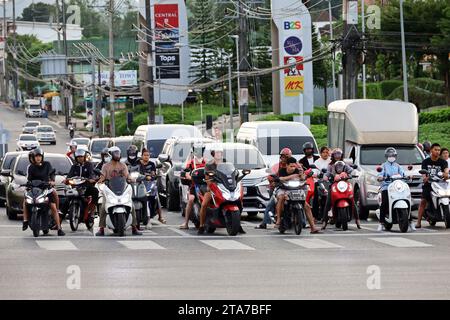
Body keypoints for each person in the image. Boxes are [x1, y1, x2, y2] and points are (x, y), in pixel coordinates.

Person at [95, 146, 142, 236]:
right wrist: (101, 180)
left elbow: (127, 176)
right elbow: (103, 176)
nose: (117, 155)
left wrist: (131, 179)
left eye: (118, 153)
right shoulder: (106, 166)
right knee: (103, 207)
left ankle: (134, 228)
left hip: (121, 188)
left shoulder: (123, 165)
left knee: (131, 206)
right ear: (111, 154)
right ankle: (101, 228)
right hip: (109, 189)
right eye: (115, 153)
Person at [22, 148, 65, 236]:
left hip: (46, 188)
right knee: (25, 201)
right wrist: (27, 184)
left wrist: (52, 181)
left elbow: (52, 174)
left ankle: (59, 227)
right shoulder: (31, 167)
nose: (38, 158)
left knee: (52, 204)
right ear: (33, 158)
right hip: (34, 189)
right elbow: (29, 179)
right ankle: (25, 220)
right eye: (36, 156)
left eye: (39, 156)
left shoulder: (47, 165)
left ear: (42, 157)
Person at [273, 157, 320, 233]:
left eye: (294, 166)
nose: (293, 168)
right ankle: (278, 219)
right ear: (287, 165)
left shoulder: (297, 170)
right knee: (281, 197)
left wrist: (302, 174)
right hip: (284, 189)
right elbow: (281, 178)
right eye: (291, 166)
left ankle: (313, 227)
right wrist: (291, 176)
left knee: (306, 206)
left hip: (295, 190)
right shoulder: (282, 170)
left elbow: (303, 178)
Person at [376, 147, 415, 231]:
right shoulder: (383, 166)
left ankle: (411, 221)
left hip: (398, 186)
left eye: (393, 155)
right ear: (386, 156)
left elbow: (403, 174)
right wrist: (380, 177)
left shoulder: (398, 166)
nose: (391, 156)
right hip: (387, 187)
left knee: (407, 201)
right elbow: (380, 175)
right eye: (389, 155)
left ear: (395, 156)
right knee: (384, 202)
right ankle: (381, 223)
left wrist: (408, 176)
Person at [256, 148, 294, 229]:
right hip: (279, 188)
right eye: (283, 157)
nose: (285, 159)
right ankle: (265, 222)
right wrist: (274, 181)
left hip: (292, 189)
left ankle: (303, 222)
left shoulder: (294, 165)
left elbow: (302, 174)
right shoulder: (277, 166)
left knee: (304, 203)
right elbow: (270, 176)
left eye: (287, 157)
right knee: (271, 204)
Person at [322, 148, 361, 229]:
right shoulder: (330, 165)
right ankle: (325, 221)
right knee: (328, 203)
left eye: (339, 154)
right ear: (332, 155)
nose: (337, 156)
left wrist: (351, 174)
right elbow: (327, 173)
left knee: (352, 201)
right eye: (335, 154)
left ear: (342, 155)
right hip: (334, 185)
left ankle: (357, 220)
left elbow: (351, 171)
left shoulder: (345, 164)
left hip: (345, 185)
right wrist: (325, 177)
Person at [416, 143, 449, 228]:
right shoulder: (426, 161)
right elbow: (423, 172)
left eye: (438, 150)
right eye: (435, 150)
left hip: (441, 184)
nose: (437, 152)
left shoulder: (443, 162)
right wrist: (425, 178)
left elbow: (446, 169)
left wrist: (446, 174)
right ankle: (418, 221)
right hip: (429, 185)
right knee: (423, 201)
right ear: (431, 150)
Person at [179, 141, 206, 229]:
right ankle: (186, 223)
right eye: (197, 150)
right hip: (194, 186)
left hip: (205, 186)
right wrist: (192, 178)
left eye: (200, 150)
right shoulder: (190, 163)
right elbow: (187, 174)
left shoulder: (206, 162)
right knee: (191, 199)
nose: (199, 152)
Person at [65, 148, 99, 217]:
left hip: (86, 187)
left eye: (81, 157)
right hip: (75, 188)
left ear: (84, 157)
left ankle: (92, 210)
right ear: (76, 158)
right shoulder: (74, 166)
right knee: (67, 198)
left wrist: (91, 179)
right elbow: (69, 175)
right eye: (78, 157)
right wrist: (66, 180)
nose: (80, 158)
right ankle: (61, 216)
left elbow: (92, 173)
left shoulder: (89, 165)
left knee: (95, 191)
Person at [139, 148, 166, 225]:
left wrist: (153, 176)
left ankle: (160, 217)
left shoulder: (152, 164)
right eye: (145, 155)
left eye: (148, 155)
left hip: (150, 184)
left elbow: (153, 174)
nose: (146, 157)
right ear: (141, 156)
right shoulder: (138, 163)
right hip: (139, 184)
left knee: (156, 197)